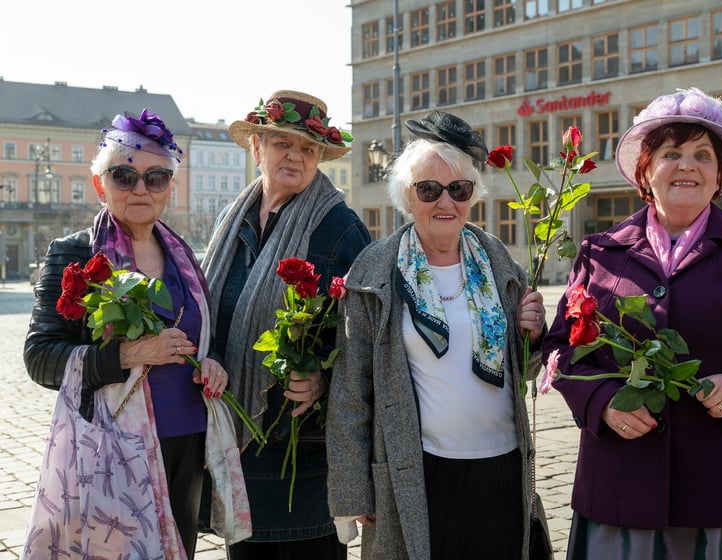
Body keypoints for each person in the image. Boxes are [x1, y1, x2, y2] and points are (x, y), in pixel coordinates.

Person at [541, 88, 722, 559]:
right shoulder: (598, 252)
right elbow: (561, 351)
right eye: (671, 153)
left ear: (719, 176)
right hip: (620, 491)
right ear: (645, 171)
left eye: (702, 155)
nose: (687, 165)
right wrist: (602, 403)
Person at [24, 109, 249, 558]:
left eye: (157, 177)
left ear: (171, 186)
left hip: (187, 439)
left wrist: (212, 360)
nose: (141, 188)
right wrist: (127, 355)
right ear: (100, 185)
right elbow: (41, 356)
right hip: (111, 447)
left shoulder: (184, 256)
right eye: (124, 176)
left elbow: (204, 335)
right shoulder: (74, 254)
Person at [326, 110, 546, 560]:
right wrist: (353, 492)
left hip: (501, 465)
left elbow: (523, 372)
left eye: (459, 189)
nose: (445, 202)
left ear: (472, 196)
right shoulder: (374, 270)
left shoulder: (500, 264)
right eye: (429, 189)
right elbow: (351, 390)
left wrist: (534, 335)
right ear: (407, 197)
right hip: (416, 471)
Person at [200, 90, 371, 559]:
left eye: (308, 148)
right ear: (257, 146)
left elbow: (369, 338)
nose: (294, 155)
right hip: (236, 451)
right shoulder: (230, 221)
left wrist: (324, 378)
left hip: (304, 457)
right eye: (281, 143)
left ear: (319, 158)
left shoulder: (340, 228)